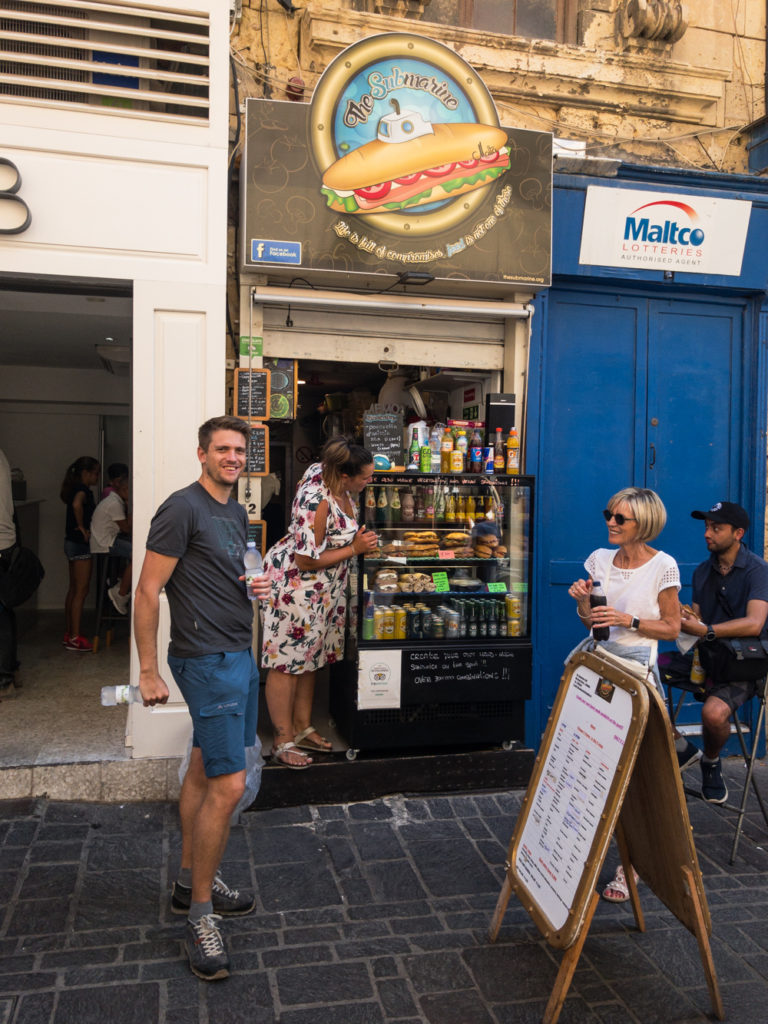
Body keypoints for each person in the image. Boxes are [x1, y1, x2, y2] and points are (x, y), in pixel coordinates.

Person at [133, 415, 270, 983]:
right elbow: (147, 588)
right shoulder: (182, 507)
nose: (232, 458)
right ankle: (201, 916)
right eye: (222, 449)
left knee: (201, 767)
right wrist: (147, 669)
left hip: (238, 654)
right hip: (206, 661)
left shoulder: (236, 512)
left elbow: (230, 572)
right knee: (229, 783)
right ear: (202, 454)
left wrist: (253, 584)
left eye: (239, 450)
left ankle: (190, 881)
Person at [568, 487, 681, 902]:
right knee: (590, 765)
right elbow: (593, 626)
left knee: (631, 775)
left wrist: (629, 619)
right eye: (609, 515)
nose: (610, 523)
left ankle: (628, 868)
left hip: (636, 674)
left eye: (621, 518)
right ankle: (577, 856)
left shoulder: (663, 566)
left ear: (644, 524)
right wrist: (584, 604)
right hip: (599, 668)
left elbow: (672, 627)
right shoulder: (599, 560)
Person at [262, 436, 377, 768]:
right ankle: (282, 741)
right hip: (296, 590)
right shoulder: (316, 500)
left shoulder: (324, 472)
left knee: (310, 659)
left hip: (325, 592)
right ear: (344, 475)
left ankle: (301, 727)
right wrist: (355, 549)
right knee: (286, 664)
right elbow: (304, 560)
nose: (369, 482)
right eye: (365, 477)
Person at [677, 501, 768, 805]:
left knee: (713, 713)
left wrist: (707, 630)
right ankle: (681, 749)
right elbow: (698, 618)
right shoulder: (703, 571)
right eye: (706, 527)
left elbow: (755, 623)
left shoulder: (758, 570)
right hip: (707, 657)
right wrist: (683, 616)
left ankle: (710, 761)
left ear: (738, 533)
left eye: (716, 528)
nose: (707, 533)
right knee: (644, 676)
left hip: (745, 664)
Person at [60, 456, 100, 652]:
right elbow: (77, 505)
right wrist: (82, 527)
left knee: (73, 589)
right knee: (81, 591)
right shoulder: (82, 491)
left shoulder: (73, 488)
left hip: (70, 542)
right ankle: (75, 637)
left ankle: (69, 633)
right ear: (86, 473)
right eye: (95, 473)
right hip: (79, 544)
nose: (97, 477)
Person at [90, 471, 132, 614]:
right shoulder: (114, 503)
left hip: (106, 540)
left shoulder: (113, 500)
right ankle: (120, 592)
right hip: (105, 543)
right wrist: (131, 508)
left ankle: (118, 579)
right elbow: (126, 528)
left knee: (132, 548)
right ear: (125, 490)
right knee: (138, 554)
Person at [0, 448, 18, 696]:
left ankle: (4, 679)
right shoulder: (3, 455)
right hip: (6, 543)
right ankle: (9, 671)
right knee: (4, 610)